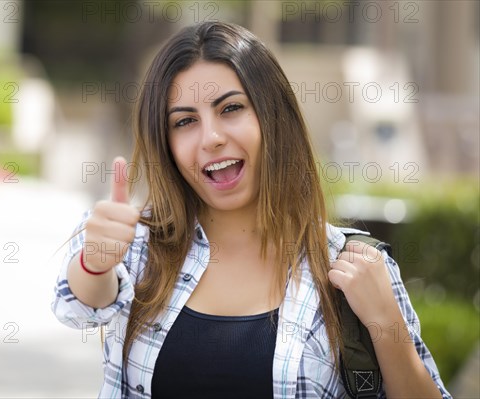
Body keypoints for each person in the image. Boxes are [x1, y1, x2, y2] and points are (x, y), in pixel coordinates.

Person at [52, 21, 450, 398]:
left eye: (230, 109)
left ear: (272, 116)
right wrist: (95, 265)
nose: (211, 138)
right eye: (185, 121)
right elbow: (78, 307)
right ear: (166, 143)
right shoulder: (137, 244)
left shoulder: (351, 266)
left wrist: (385, 324)